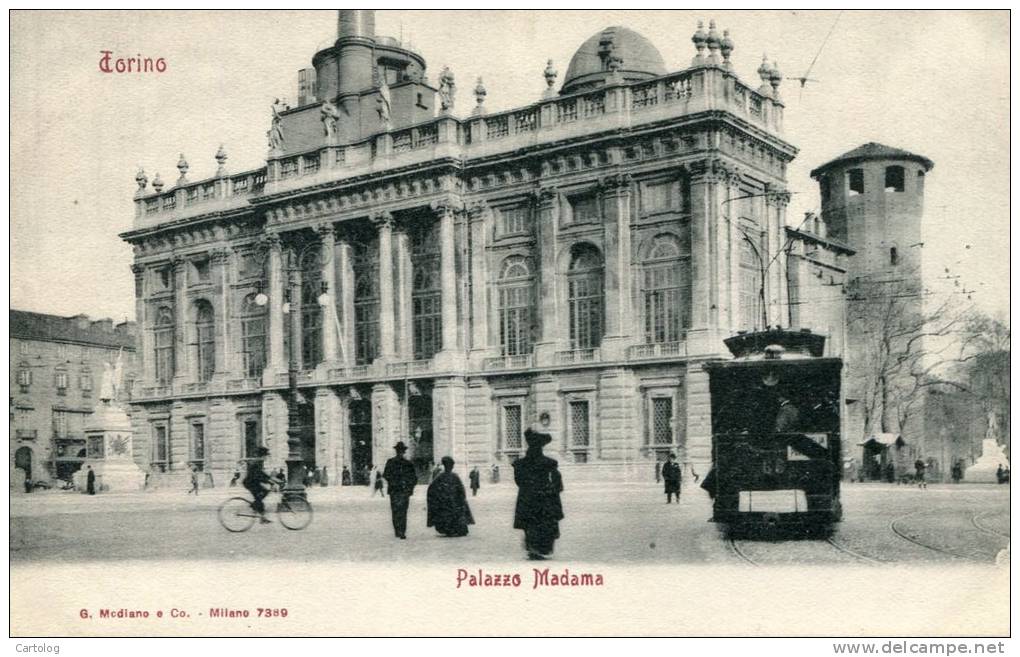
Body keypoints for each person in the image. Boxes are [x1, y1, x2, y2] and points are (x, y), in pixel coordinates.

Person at [513, 428, 564, 560]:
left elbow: (518, 481)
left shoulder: (520, 464)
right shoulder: (549, 463)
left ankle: (533, 548)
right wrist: (552, 491)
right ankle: (543, 549)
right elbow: (558, 483)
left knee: (530, 524)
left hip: (527, 499)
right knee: (545, 524)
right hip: (545, 499)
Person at [427, 456, 475, 537]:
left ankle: (453, 529)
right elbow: (432, 489)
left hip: (452, 502)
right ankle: (452, 529)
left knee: (453, 515)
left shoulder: (445, 476)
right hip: (448, 502)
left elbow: (461, 489)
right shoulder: (448, 476)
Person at [382, 442, 417, 539]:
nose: (401, 453)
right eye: (400, 451)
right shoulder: (407, 463)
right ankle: (401, 531)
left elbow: (385, 475)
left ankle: (399, 531)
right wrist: (409, 487)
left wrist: (393, 482)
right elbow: (414, 478)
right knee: (402, 511)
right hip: (401, 491)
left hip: (396, 491)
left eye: (401, 451)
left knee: (397, 511)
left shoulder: (393, 462)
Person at [243, 447, 274, 524]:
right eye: (265, 455)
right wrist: (269, 481)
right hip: (250, 482)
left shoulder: (259, 461)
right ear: (263, 455)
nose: (266, 457)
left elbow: (261, 473)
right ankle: (256, 507)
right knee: (261, 496)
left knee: (261, 497)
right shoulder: (258, 462)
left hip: (253, 482)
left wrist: (270, 479)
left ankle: (262, 517)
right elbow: (258, 475)